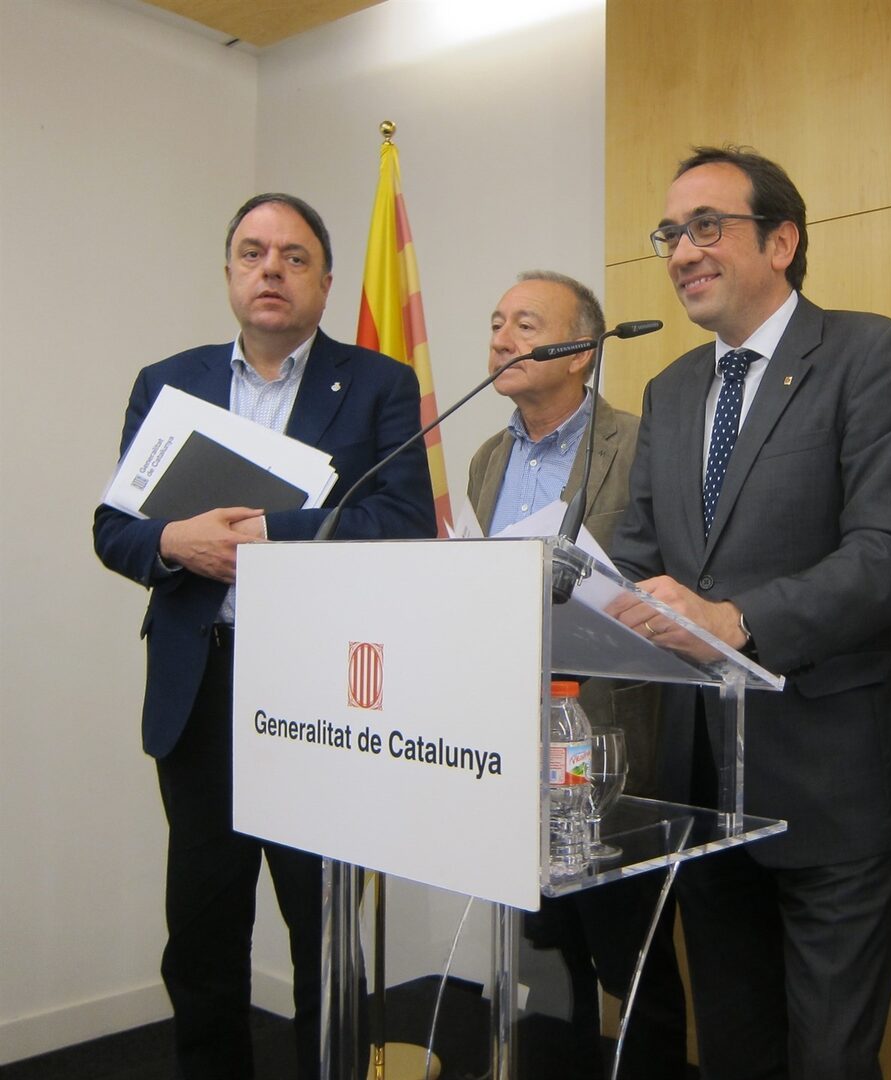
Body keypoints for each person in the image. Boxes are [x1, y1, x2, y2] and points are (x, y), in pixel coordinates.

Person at [607, 146, 891, 1079]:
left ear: (782, 241)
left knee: (830, 1060)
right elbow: (638, 554)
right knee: (733, 1054)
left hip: (833, 780)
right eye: (671, 234)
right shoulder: (671, 390)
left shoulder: (871, 355)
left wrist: (736, 618)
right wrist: (576, 593)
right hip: (702, 784)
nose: (682, 252)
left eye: (706, 227)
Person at [93, 193, 434, 1080]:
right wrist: (175, 541)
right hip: (201, 690)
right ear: (229, 274)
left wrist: (269, 534)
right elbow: (114, 529)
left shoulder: (379, 385)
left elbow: (404, 523)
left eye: (293, 256)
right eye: (252, 253)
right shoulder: (168, 383)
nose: (270, 270)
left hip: (319, 694)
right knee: (202, 935)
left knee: (324, 935)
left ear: (326, 280)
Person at [466, 270, 686, 1079]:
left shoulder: (640, 442)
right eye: (496, 323)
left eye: (525, 325)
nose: (502, 339)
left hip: (609, 737)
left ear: (582, 352)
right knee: (543, 950)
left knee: (629, 958)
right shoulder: (487, 458)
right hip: (512, 737)